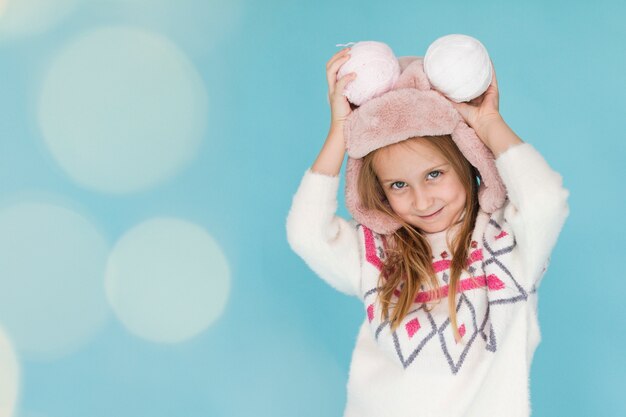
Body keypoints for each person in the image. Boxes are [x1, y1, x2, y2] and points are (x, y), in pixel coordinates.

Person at [286, 46, 569, 417]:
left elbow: (546, 200)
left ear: (468, 161)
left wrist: (487, 123)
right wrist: (342, 131)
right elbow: (306, 233)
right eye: (399, 185)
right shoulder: (378, 249)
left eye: (434, 174)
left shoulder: (506, 238)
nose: (421, 201)